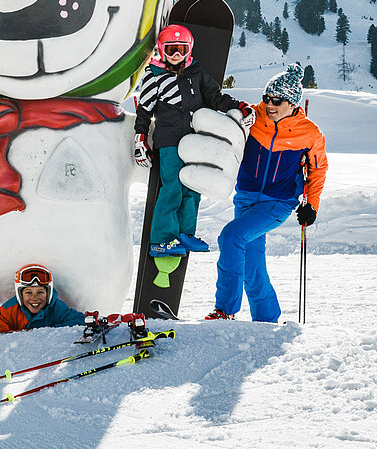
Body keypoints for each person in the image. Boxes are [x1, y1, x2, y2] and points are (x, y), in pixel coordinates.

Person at [205, 62, 327, 323]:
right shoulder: (255, 116)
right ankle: (267, 318)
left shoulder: (310, 134)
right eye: (266, 98)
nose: (269, 105)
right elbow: (227, 111)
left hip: (277, 203)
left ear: (293, 103)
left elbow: (317, 170)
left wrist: (312, 205)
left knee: (231, 236)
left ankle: (224, 310)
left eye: (277, 101)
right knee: (252, 265)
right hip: (246, 197)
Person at [134, 23, 253, 255]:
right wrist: (140, 138)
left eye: (181, 49)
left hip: (195, 142)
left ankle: (185, 233)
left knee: (193, 186)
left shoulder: (195, 73)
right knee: (172, 188)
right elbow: (144, 111)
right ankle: (162, 239)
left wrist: (237, 107)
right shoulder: (154, 75)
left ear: (189, 50)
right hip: (168, 141)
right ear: (161, 50)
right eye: (171, 50)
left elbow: (214, 97)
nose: (176, 55)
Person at [0, 264, 87, 332]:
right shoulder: (8, 310)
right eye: (28, 292)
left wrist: (49, 332)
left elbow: (81, 320)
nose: (34, 298)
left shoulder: (57, 307)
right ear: (20, 294)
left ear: (48, 293)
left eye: (40, 292)